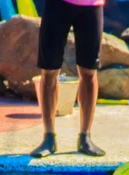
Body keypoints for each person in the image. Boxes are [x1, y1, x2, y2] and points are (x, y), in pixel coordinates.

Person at [30, 0, 106, 158]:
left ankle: (85, 137)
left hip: (91, 6)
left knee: (89, 71)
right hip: (58, 5)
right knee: (49, 70)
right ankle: (49, 137)